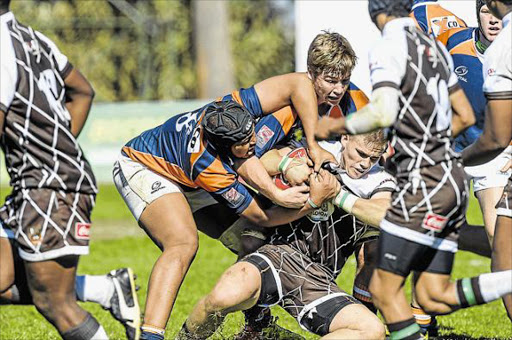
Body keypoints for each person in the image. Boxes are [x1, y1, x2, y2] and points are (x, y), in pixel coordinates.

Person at [316, 0, 512, 338]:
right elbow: (464, 116)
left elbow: (382, 112)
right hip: (450, 178)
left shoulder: (388, 46)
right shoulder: (436, 49)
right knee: (431, 295)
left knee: (383, 288)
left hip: (426, 180)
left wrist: (332, 129)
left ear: (375, 13)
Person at [114, 99, 338, 340]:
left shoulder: (234, 106)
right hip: (145, 167)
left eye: (250, 133)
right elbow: (262, 217)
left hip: (187, 178)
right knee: (182, 243)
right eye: (244, 142)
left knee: (253, 241)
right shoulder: (209, 166)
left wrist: (310, 145)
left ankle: (255, 329)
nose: (253, 142)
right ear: (225, 148)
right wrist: (312, 202)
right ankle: (151, 337)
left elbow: (295, 83)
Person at [0, 0, 140, 339]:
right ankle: (106, 289)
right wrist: (59, 147)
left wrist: (53, 157)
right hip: (40, 182)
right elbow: (82, 90)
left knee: (56, 304)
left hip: (50, 187)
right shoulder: (31, 38)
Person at [178, 130, 393, 340]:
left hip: (317, 280)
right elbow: (263, 160)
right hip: (276, 255)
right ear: (345, 138)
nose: (365, 164)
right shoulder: (318, 152)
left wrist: (336, 195)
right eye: (361, 154)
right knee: (222, 296)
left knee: (371, 330)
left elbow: (384, 214)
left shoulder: (380, 181)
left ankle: (262, 330)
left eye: (374, 158)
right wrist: (288, 165)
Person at [461, 0, 512, 321]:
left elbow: (497, 135)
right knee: (502, 247)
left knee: (499, 241)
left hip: (497, 149)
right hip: (467, 147)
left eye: (496, 12)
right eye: (485, 12)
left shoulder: (505, 47)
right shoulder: (454, 43)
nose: (492, 20)